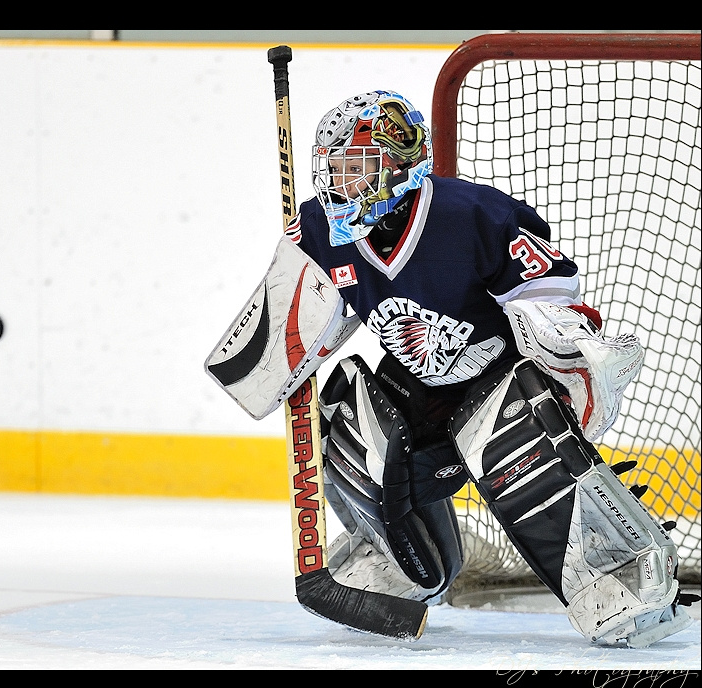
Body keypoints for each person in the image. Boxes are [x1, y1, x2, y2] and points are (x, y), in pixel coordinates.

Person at [277, 90, 696, 646]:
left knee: (521, 445)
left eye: (356, 168)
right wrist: (278, 345)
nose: (340, 184)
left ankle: (619, 575)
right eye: (334, 169)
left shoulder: (472, 215)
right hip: (419, 388)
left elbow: (548, 299)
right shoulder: (318, 230)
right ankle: (397, 563)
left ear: (399, 164)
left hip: (499, 379)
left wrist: (572, 355)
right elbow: (291, 325)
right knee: (349, 425)